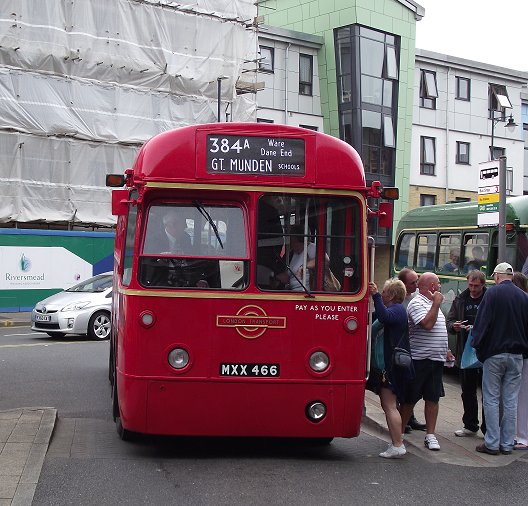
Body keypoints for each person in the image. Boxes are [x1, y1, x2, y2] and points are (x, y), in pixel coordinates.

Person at [471, 262, 528, 455]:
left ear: (496, 276)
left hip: (494, 353)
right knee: (511, 400)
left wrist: (478, 346)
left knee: (492, 399)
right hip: (517, 355)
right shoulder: (524, 297)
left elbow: (482, 323)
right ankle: (507, 443)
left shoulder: (492, 294)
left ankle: (492, 442)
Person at [400, 272, 453, 451]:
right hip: (419, 359)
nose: (440, 286)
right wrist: (436, 303)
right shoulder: (417, 303)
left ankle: (430, 435)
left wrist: (446, 350)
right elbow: (427, 325)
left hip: (435, 360)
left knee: (433, 397)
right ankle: (398, 434)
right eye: (438, 283)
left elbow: (438, 329)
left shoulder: (432, 304)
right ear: (431, 286)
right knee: (410, 398)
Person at [368, 278, 410, 458]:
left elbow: (383, 317)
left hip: (390, 367)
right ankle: (396, 441)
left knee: (390, 406)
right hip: (385, 366)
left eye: (385, 292)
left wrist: (375, 295)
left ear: (392, 295)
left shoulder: (397, 310)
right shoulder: (394, 310)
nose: (382, 294)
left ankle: (398, 444)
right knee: (388, 405)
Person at [446, 270, 487, 437]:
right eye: (470, 285)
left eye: (477, 286)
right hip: (465, 349)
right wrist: (454, 326)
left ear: (483, 285)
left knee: (488, 392)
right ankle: (470, 425)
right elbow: (450, 320)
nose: (473, 289)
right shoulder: (461, 299)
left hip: (485, 350)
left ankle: (488, 429)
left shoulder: (489, 298)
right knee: (467, 390)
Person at [397, 268, 426, 433]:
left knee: (411, 384)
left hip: (413, 346)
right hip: (400, 345)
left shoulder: (417, 298)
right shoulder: (397, 299)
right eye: (412, 283)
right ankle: (400, 418)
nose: (416, 285)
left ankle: (410, 417)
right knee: (401, 384)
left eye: (417, 281)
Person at [512, 271, 528, 451]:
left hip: (522, 353)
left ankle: (522, 435)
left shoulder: (521, 302)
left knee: (521, 395)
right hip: (521, 353)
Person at [276, 225, 316, 291]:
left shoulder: (311, 248)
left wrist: (304, 266)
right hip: (294, 291)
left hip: (306, 292)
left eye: (291, 239)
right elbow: (290, 277)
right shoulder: (294, 254)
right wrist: (277, 277)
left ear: (296, 239)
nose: (290, 242)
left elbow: (324, 260)